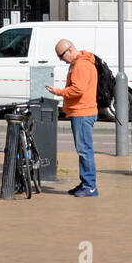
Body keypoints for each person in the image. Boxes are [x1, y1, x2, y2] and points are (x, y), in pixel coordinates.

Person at [48, 38, 98, 197]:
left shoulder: (81, 65)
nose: (61, 60)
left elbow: (78, 90)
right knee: (84, 149)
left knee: (84, 151)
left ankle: (90, 185)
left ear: (69, 50)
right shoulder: (81, 63)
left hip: (82, 112)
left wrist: (58, 92)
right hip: (82, 111)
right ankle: (86, 183)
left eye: (61, 55)